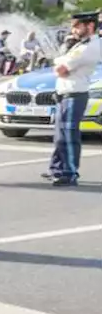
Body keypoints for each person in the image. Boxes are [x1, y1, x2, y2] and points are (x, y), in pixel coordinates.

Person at [43, 11, 102, 187]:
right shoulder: (80, 44)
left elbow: (60, 70)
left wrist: (60, 60)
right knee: (59, 135)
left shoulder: (88, 47)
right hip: (65, 93)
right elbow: (62, 68)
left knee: (68, 136)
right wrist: (62, 59)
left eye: (77, 26)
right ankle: (57, 168)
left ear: (89, 26)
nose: (73, 30)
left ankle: (69, 172)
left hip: (74, 94)